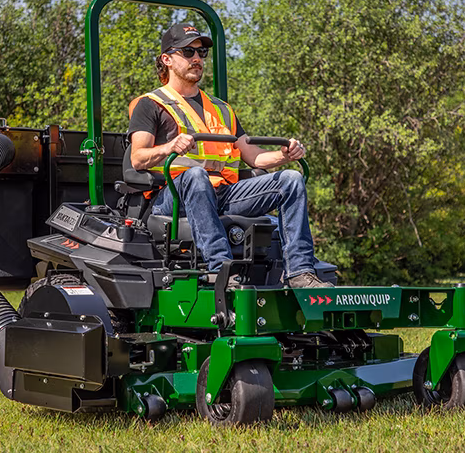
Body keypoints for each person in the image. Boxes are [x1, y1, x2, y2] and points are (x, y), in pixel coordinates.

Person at [127, 23, 333, 288]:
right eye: (188, 52)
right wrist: (169, 147)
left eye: (201, 54)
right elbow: (138, 158)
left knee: (291, 179)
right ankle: (220, 270)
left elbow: (254, 157)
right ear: (167, 59)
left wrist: (284, 156)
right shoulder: (151, 104)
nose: (197, 59)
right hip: (173, 197)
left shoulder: (221, 109)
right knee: (196, 175)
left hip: (222, 193)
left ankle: (300, 272)